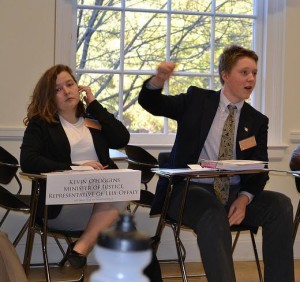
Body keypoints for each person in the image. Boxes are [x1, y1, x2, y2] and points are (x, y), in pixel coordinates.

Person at [138, 45, 294, 282]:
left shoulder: (257, 120)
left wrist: (243, 200)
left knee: (280, 204)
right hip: (189, 191)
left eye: (254, 72)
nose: (251, 78)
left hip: (233, 194)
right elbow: (152, 103)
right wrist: (158, 80)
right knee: (211, 212)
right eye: (244, 72)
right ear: (225, 75)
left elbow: (259, 170)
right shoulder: (197, 100)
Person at [20, 65, 162, 282]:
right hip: (62, 205)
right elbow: (28, 161)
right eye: (58, 89)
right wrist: (76, 168)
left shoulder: (93, 120)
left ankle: (80, 248)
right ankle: (83, 247)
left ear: (79, 88)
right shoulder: (42, 124)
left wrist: (94, 104)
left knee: (126, 207)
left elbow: (121, 139)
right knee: (124, 217)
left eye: (70, 84)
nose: (67, 91)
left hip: (103, 202)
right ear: (49, 96)